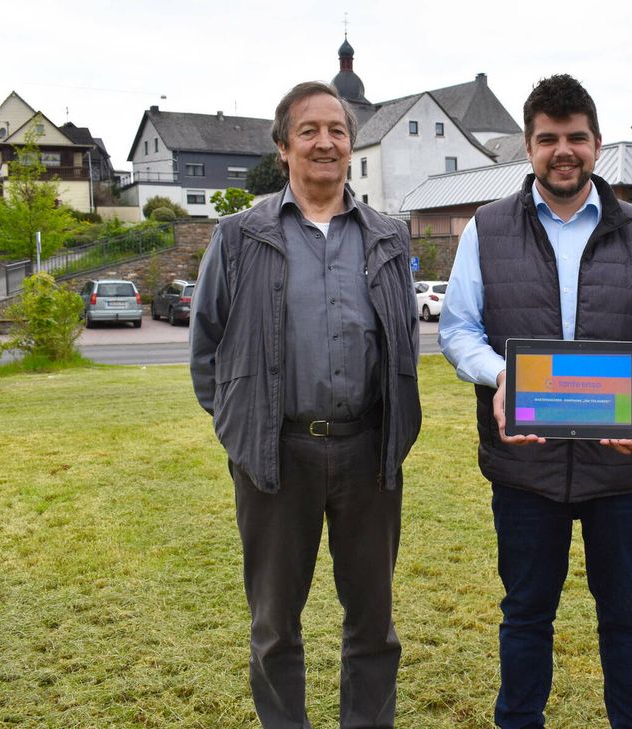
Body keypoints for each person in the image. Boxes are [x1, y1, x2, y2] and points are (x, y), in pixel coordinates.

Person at [438, 74, 632, 729]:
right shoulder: (486, 228)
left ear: (597, 144)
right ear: (527, 147)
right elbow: (458, 327)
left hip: (619, 463)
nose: (563, 150)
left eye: (575, 137)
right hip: (525, 463)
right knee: (525, 613)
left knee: (626, 616)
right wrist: (503, 380)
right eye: (547, 138)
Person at [190, 81, 421, 729]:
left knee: (373, 624)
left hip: (368, 453)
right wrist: (243, 432)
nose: (325, 141)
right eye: (309, 130)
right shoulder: (240, 237)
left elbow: (402, 341)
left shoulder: (389, 238)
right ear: (283, 146)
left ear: (351, 144)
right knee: (274, 626)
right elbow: (206, 346)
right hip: (275, 456)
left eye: (337, 130)